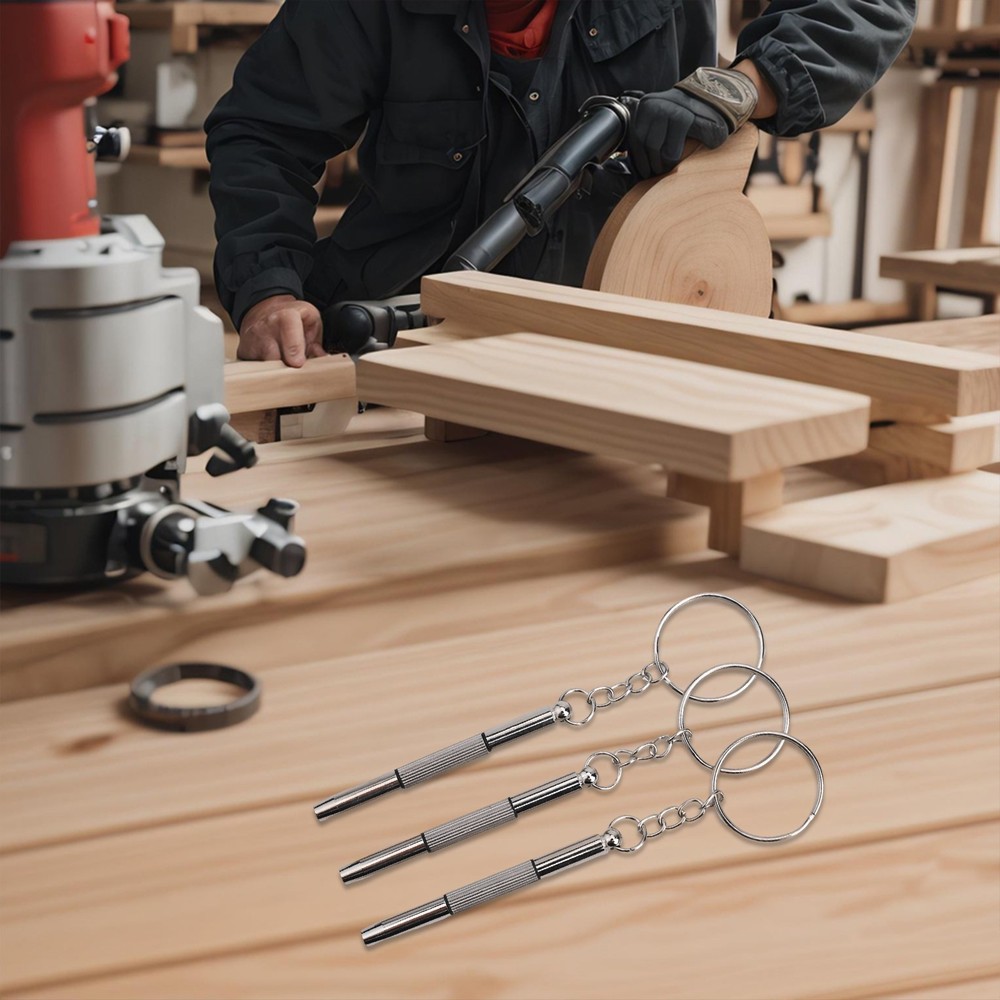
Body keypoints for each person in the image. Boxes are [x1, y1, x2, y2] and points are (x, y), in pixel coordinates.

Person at [206, 0, 915, 367]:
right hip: (401, 356)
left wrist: (741, 85)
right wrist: (269, 292)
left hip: (632, 347)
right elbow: (265, 134)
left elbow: (868, 6)